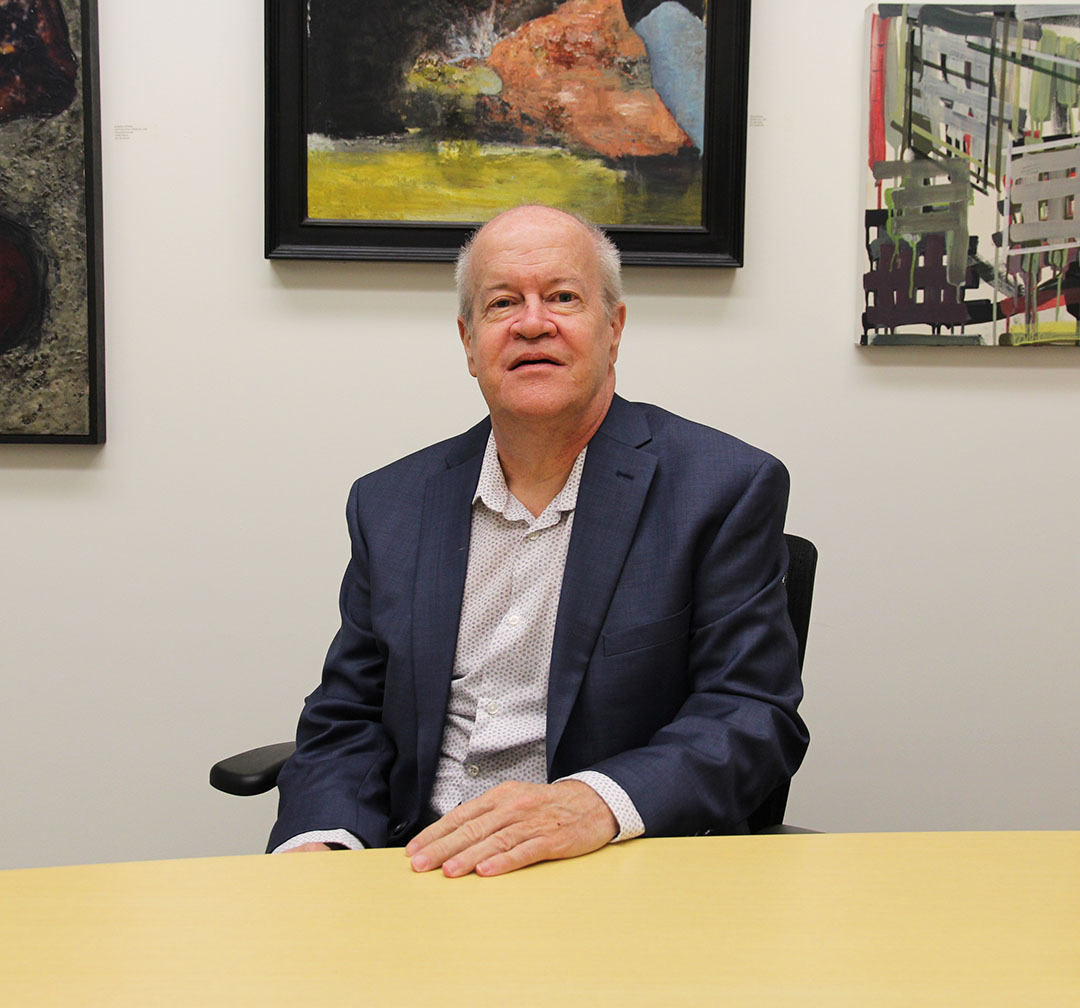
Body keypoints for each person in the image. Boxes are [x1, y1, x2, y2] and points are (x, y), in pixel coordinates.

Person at [268, 204, 808, 876]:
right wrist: (323, 841)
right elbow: (347, 716)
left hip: (607, 868)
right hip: (414, 868)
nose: (532, 323)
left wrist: (592, 803)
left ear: (613, 328)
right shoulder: (392, 503)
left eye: (562, 297)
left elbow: (750, 716)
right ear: (469, 342)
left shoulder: (721, 489)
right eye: (502, 303)